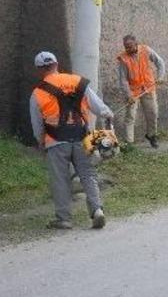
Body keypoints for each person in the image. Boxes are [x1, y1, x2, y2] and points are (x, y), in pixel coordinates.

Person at [29, 52, 113, 230]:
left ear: (39, 70)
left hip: (55, 141)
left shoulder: (37, 93)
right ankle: (97, 211)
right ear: (56, 64)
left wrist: (40, 141)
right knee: (88, 175)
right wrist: (107, 115)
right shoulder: (78, 81)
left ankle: (64, 219)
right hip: (82, 137)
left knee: (60, 180)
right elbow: (98, 106)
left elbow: (37, 124)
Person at [117, 34, 166, 148]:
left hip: (148, 88)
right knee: (130, 116)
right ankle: (129, 143)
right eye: (126, 47)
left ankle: (151, 135)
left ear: (136, 44)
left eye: (130, 46)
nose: (128, 49)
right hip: (132, 92)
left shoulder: (146, 50)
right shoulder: (123, 59)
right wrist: (129, 95)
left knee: (153, 113)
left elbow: (160, 62)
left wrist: (160, 77)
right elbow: (123, 80)